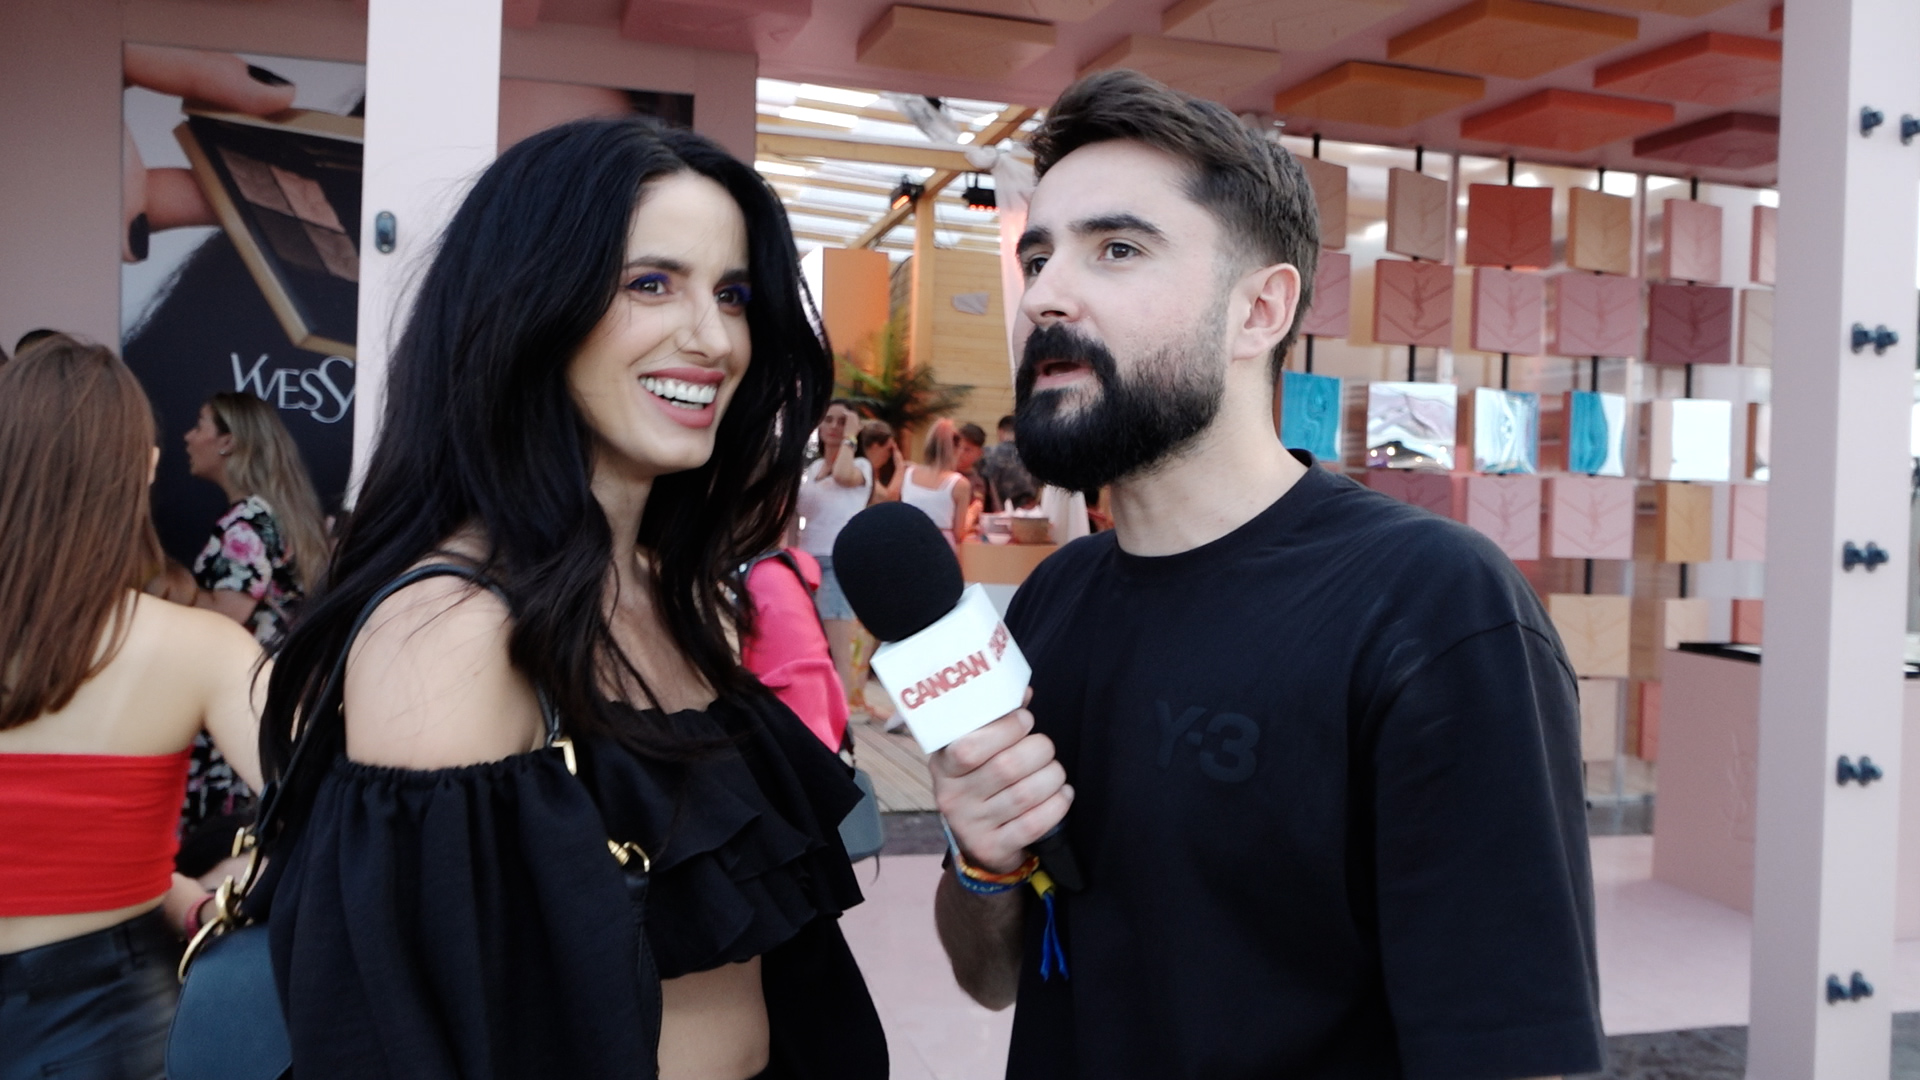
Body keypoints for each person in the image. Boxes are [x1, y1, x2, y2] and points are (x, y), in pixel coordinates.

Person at [928, 71, 1602, 1080]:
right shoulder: (1055, 600)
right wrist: (983, 864)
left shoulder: (1431, 608)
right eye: (1038, 255)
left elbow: (1516, 1052)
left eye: (1117, 249)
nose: (1046, 295)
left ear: (1260, 311)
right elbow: (993, 978)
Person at [255, 117, 886, 1078]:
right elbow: (404, 1045)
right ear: (529, 305)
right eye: (650, 284)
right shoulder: (455, 630)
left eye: (732, 294)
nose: (713, 338)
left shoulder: (674, 592)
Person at [0, 338, 265, 1080]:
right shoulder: (204, 648)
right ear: (140, 469)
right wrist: (218, 890)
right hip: (110, 1026)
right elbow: (347, 823)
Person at [147, 391, 329, 873]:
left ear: (228, 441)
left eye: (200, 425)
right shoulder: (270, 515)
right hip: (267, 706)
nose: (189, 437)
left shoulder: (247, 522)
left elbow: (226, 618)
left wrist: (164, 584)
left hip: (238, 708)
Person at [796, 399, 873, 705]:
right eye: (828, 420)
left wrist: (850, 436)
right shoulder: (814, 467)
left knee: (838, 647)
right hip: (806, 560)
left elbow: (842, 475)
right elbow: (795, 517)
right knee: (808, 642)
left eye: (841, 421)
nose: (833, 427)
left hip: (836, 561)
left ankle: (841, 718)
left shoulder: (860, 467)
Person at [900, 418, 974, 546]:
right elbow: (959, 533)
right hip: (940, 545)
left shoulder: (907, 473)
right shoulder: (959, 484)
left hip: (907, 541)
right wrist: (972, 514)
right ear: (956, 450)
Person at [978, 413, 1038, 511]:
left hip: (994, 512)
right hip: (1026, 512)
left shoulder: (987, 453)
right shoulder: (1033, 457)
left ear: (1000, 431)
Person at [855, 419, 905, 505]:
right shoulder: (860, 468)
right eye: (889, 449)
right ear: (875, 447)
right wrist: (900, 467)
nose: (890, 455)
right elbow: (888, 500)